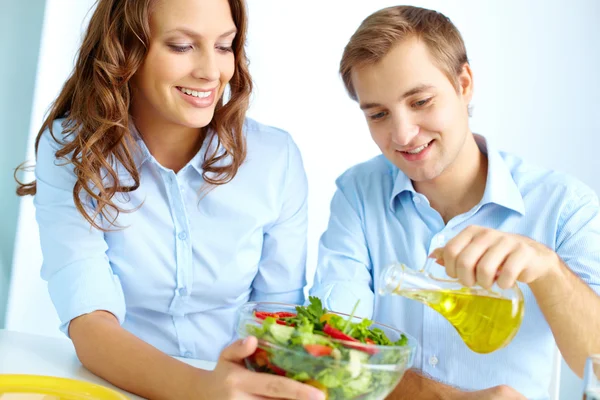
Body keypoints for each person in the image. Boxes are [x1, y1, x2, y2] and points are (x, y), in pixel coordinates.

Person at [15, 0, 325, 399]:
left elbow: (279, 318)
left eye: (224, 46)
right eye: (181, 46)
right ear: (125, 50)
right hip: (116, 386)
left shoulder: (275, 158)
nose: (211, 72)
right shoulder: (73, 151)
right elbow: (90, 322)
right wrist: (203, 391)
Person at [309, 5, 600, 400]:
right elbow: (332, 351)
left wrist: (549, 271)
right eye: (378, 114)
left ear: (463, 84)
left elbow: (596, 361)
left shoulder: (562, 205)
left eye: (421, 102)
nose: (403, 133)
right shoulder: (358, 195)